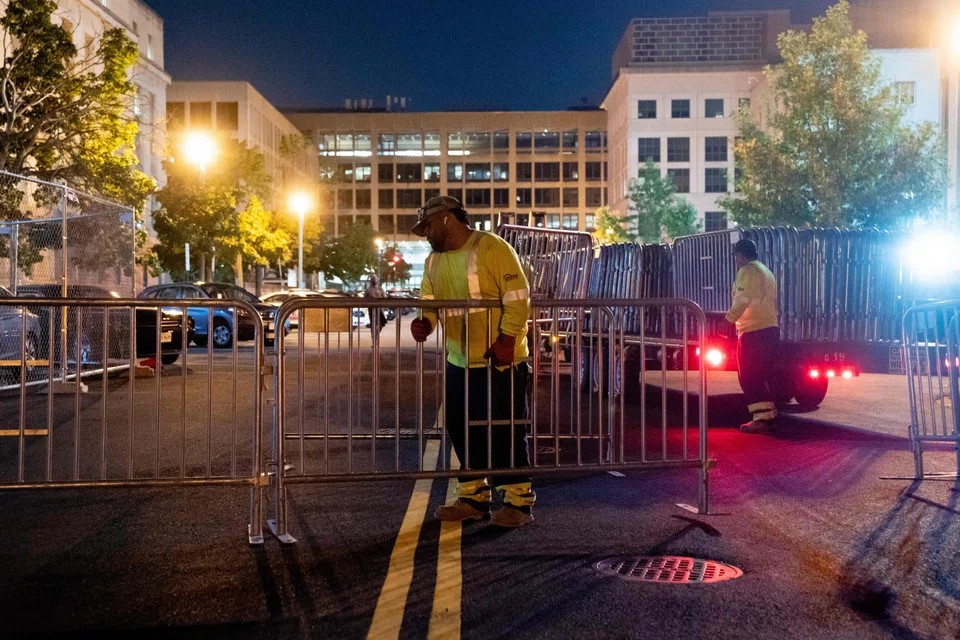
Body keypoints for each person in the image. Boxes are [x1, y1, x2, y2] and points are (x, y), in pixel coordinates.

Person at [409, 195, 535, 528]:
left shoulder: (491, 247)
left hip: (501, 360)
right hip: (460, 360)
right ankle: (473, 497)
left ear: (448, 219)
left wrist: (507, 341)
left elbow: (518, 298)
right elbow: (429, 302)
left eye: (429, 226)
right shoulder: (433, 262)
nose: (426, 234)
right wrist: (424, 321)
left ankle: (518, 503)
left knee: (505, 430)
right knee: (462, 428)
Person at [723, 238, 780, 434]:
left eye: (736, 257)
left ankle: (761, 420)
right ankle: (767, 417)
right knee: (761, 375)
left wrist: (728, 320)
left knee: (749, 376)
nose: (736, 261)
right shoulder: (765, 270)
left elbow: (742, 300)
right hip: (769, 329)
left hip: (754, 331)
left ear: (740, 255)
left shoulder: (747, 271)